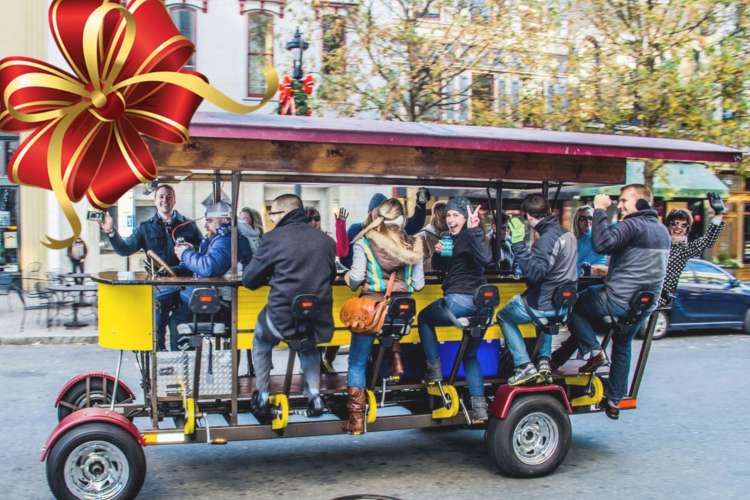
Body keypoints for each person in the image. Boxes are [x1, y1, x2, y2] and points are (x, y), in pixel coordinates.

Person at [555, 184, 670, 419]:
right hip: (644, 303)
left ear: (641, 203)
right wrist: (609, 271)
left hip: (619, 299)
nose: (620, 204)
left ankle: (594, 351)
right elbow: (640, 266)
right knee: (623, 341)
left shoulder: (632, 225)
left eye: (625, 200)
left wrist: (600, 210)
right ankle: (614, 400)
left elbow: (602, 244)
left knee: (575, 305)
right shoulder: (661, 231)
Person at [242, 194, 336, 416]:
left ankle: (263, 396)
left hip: (280, 316)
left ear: (283, 213)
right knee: (308, 343)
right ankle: (315, 397)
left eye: (272, 214)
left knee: (261, 341)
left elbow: (249, 279)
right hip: (316, 315)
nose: (271, 219)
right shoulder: (325, 241)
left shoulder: (272, 239)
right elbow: (331, 275)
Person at [343, 199, 425, 434]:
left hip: (372, 312)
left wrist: (348, 276)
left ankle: (357, 420)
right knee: (388, 327)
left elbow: (356, 279)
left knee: (357, 363)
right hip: (401, 314)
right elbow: (418, 285)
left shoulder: (365, 243)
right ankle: (395, 357)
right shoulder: (414, 245)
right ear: (402, 219)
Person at [417, 197, 493, 422]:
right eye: (448, 215)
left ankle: (434, 371)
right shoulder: (449, 237)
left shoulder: (472, 235)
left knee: (424, 318)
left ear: (466, 217)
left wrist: (474, 229)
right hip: (481, 307)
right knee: (470, 355)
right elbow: (442, 267)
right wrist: (439, 252)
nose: (450, 219)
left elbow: (487, 258)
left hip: (461, 301)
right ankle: (479, 408)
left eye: (455, 215)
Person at [99, 184, 202, 351]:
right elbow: (125, 249)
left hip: (185, 289)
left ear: (174, 200)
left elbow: (202, 251)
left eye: (169, 196)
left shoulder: (188, 225)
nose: (165, 200)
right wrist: (111, 232)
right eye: (161, 196)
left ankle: (183, 370)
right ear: (155, 201)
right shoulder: (145, 227)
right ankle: (158, 368)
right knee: (155, 334)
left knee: (183, 336)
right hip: (159, 289)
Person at [496, 194, 577, 385]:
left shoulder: (546, 240)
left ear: (529, 216)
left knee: (504, 316)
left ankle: (523, 365)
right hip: (563, 306)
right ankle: (543, 362)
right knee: (545, 317)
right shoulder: (567, 234)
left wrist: (518, 246)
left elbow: (535, 274)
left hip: (543, 304)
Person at [169, 202, 253, 348]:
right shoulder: (228, 237)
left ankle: (184, 365)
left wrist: (185, 254)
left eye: (209, 220)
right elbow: (213, 260)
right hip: (229, 298)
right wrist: (193, 252)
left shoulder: (227, 239)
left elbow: (209, 267)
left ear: (225, 219)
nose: (206, 226)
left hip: (224, 304)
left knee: (178, 318)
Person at [340, 188, 430, 268]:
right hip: (366, 280)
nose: (381, 214)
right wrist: (365, 267)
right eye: (378, 210)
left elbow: (415, 224)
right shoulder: (356, 229)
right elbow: (345, 258)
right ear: (370, 212)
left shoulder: (394, 228)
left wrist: (421, 204)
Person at [659, 198, 725, 307]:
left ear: (687, 229)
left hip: (660, 300)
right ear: (668, 225)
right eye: (674, 223)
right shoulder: (658, 244)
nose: (678, 228)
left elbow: (707, 240)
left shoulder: (683, 250)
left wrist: (718, 214)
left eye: (683, 225)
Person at [573, 205, 608, 276]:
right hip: (579, 279)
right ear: (577, 221)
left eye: (590, 218)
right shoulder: (574, 240)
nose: (587, 221)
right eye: (583, 218)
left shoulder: (600, 236)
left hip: (596, 279)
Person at [417, 201, 447, 273]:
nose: (448, 221)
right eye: (443, 217)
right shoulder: (422, 236)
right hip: (430, 280)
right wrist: (437, 256)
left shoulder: (452, 234)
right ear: (435, 216)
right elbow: (419, 267)